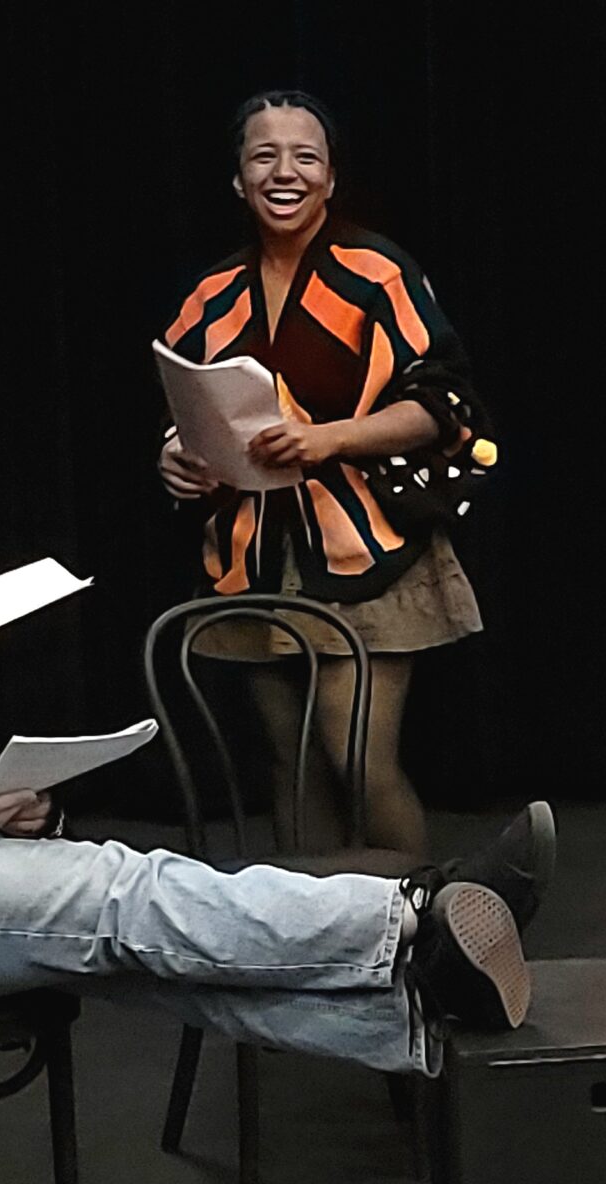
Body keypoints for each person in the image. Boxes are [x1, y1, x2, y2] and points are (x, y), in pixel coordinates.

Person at [0, 396, 550, 1069]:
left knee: (136, 947)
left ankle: (422, 998)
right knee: (112, 891)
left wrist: (16, 799)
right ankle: (412, 917)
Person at [155, 88, 495, 860]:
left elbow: (444, 403)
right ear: (237, 179)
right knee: (292, 760)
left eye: (304, 156)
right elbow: (189, 412)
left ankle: (423, 928)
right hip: (254, 558)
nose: (285, 171)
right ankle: (315, 944)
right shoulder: (209, 296)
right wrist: (175, 458)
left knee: (356, 758)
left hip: (370, 547)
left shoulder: (375, 271)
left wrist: (327, 440)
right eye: (263, 155)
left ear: (332, 178)